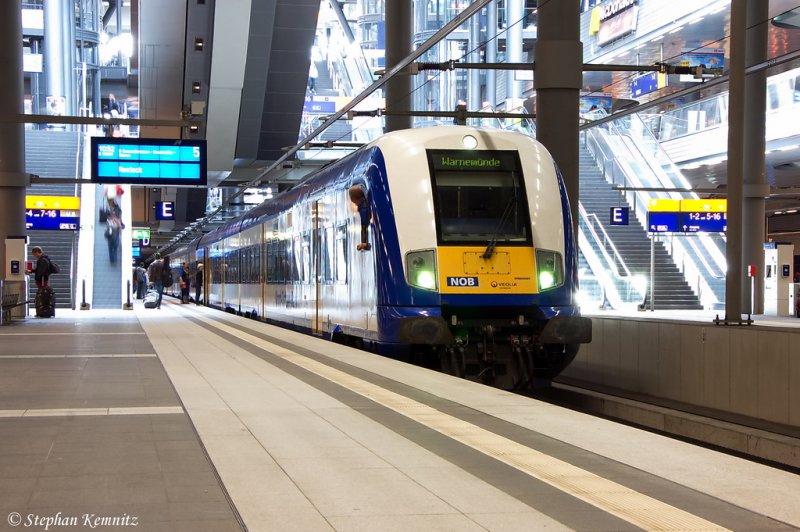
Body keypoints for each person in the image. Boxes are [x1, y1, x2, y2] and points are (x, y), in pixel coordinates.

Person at [348, 184, 371, 251]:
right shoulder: (365, 202)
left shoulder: (363, 209)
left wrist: (364, 242)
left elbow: (364, 225)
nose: (355, 204)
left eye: (354, 202)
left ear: (356, 199)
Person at [104, 198, 123, 264]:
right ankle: (113, 260)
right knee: (114, 247)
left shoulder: (110, 219)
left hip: (112, 234)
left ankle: (113, 260)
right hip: (114, 233)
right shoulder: (116, 211)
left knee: (111, 247)